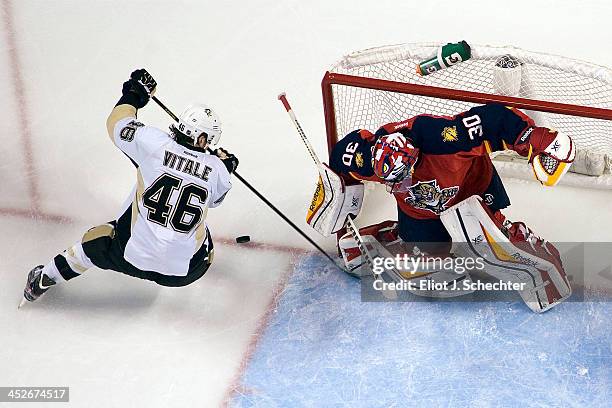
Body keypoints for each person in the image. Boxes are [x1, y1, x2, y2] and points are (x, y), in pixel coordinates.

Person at [20, 69, 238, 307]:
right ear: (204, 140)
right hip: (185, 273)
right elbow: (215, 199)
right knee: (204, 243)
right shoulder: (218, 170)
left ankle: (43, 279)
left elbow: (117, 123)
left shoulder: (152, 143)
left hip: (131, 257)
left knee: (96, 240)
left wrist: (135, 94)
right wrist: (227, 165)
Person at [328, 104, 575, 312]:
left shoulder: (442, 138)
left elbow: (493, 120)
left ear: (414, 158)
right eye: (394, 181)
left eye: (403, 176)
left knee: (490, 240)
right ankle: (392, 238)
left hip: (470, 190)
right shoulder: (366, 157)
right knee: (428, 270)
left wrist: (534, 137)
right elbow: (340, 158)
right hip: (420, 211)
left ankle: (514, 235)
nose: (400, 185)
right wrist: (338, 196)